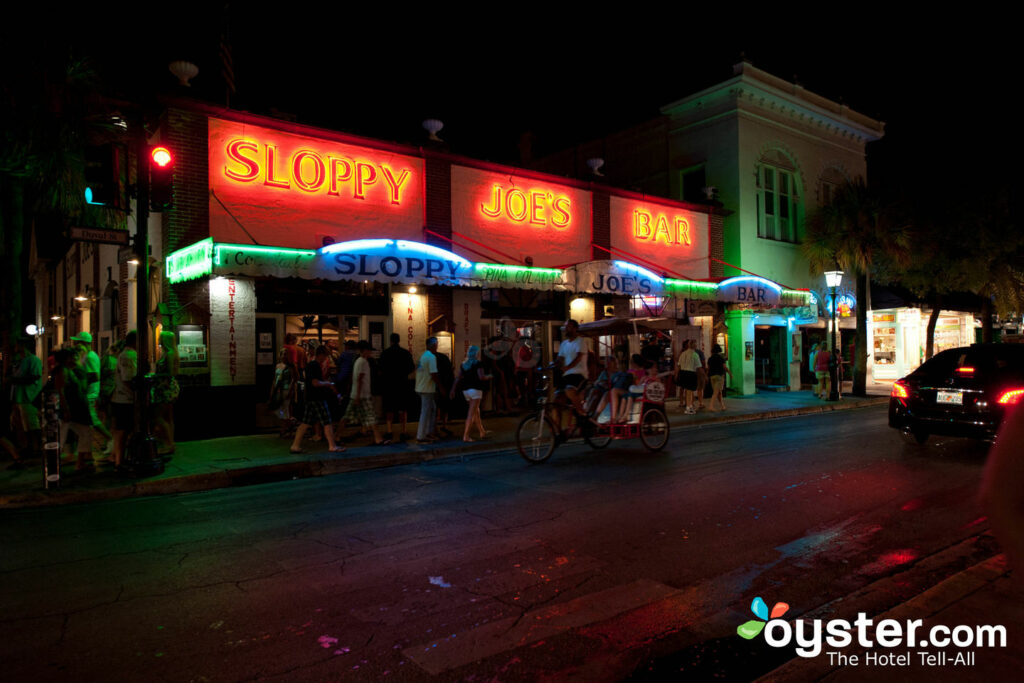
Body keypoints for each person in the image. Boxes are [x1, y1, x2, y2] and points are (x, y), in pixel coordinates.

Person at [289, 345, 344, 454]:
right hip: (317, 398)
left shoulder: (310, 365)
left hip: (310, 398)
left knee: (305, 423)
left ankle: (295, 446)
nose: (326, 359)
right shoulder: (315, 366)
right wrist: (328, 383)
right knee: (327, 421)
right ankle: (332, 446)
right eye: (326, 356)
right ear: (321, 355)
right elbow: (315, 383)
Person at [55, 348, 95, 473]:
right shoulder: (62, 371)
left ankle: (80, 462)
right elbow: (60, 391)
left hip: (77, 409)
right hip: (72, 410)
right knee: (63, 436)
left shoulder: (70, 371)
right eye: (72, 357)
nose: (75, 359)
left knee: (85, 433)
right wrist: (65, 408)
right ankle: (54, 465)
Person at [340, 341, 388, 445]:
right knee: (371, 417)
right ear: (364, 350)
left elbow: (356, 379)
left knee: (347, 417)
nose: (370, 352)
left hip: (357, 395)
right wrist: (358, 395)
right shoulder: (363, 362)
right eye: (369, 350)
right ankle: (378, 438)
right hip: (362, 395)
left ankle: (336, 436)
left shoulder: (358, 361)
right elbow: (360, 379)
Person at [71, 331, 111, 452]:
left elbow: (94, 375)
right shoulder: (86, 356)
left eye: (77, 342)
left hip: (90, 393)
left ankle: (109, 439)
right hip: (87, 392)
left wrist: (80, 383)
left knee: (92, 419)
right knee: (87, 421)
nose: (74, 344)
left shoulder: (90, 356)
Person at [9, 336, 44, 459]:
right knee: (23, 424)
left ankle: (37, 447)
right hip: (20, 397)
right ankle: (28, 446)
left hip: (29, 397)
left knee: (31, 424)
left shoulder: (33, 360)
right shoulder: (21, 360)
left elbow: (35, 376)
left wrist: (16, 380)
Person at [379, 333, 415, 441]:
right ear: (399, 340)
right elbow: (411, 368)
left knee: (389, 408)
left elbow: (380, 369)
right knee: (402, 409)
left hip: (389, 384)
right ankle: (403, 431)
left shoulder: (385, 353)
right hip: (402, 384)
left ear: (390, 341)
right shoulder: (405, 353)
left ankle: (389, 430)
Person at [110, 330, 138, 468]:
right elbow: (128, 378)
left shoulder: (125, 355)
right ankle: (119, 460)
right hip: (126, 399)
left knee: (123, 430)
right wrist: (138, 392)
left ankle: (119, 457)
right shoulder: (128, 355)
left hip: (122, 398)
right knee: (123, 430)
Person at [150, 330, 180, 456]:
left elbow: (170, 373)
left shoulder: (169, 354)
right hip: (166, 387)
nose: (158, 340)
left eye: (160, 338)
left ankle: (168, 443)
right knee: (168, 417)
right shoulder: (168, 352)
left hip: (165, 387)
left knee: (159, 416)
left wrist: (155, 376)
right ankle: (170, 442)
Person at [456, 345, 492, 442]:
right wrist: (489, 376)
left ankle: (482, 431)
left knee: (476, 411)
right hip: (475, 390)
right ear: (476, 353)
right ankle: (466, 436)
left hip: (466, 391)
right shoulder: (478, 364)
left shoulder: (463, 364)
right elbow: (481, 377)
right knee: (471, 414)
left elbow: (459, 377)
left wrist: (452, 389)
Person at [555, 319, 588, 420]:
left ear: (575, 329)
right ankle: (557, 428)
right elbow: (560, 358)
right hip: (567, 375)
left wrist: (568, 367)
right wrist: (553, 364)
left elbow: (578, 358)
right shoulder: (564, 344)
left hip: (578, 374)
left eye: (569, 327)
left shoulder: (580, 341)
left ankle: (582, 412)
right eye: (565, 327)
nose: (566, 329)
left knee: (570, 390)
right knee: (557, 400)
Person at [415, 337, 441, 443]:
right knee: (426, 411)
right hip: (427, 388)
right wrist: (441, 387)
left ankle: (429, 432)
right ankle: (422, 435)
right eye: (436, 344)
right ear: (433, 345)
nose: (437, 346)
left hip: (420, 387)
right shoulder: (431, 357)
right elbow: (433, 374)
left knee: (431, 409)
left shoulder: (423, 356)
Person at [269, 348, 297, 436]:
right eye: (282, 354)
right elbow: (275, 379)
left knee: (284, 408)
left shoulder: (291, 366)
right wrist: (272, 390)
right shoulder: (278, 366)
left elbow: (293, 379)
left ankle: (284, 428)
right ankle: (290, 423)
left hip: (286, 389)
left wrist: (291, 390)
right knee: (279, 409)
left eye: (285, 354)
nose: (284, 356)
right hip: (278, 389)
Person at [676, 339, 700, 414]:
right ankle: (688, 407)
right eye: (696, 344)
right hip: (691, 373)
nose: (696, 345)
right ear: (694, 345)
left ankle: (689, 406)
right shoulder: (694, 354)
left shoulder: (683, 354)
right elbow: (698, 366)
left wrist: (677, 374)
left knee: (686, 390)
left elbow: (679, 365)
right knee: (689, 391)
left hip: (683, 373)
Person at [707, 343, 732, 411]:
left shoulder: (710, 358)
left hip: (712, 376)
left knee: (719, 392)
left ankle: (722, 406)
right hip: (719, 376)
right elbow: (724, 367)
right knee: (716, 392)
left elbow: (708, 368)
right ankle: (711, 406)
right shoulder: (721, 357)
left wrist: (707, 376)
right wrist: (730, 373)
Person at [694, 340, 708, 410]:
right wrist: (705, 372)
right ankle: (700, 403)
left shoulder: (686, 353)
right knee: (700, 388)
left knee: (689, 389)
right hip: (699, 371)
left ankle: (690, 403)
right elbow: (703, 362)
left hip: (691, 371)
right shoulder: (699, 352)